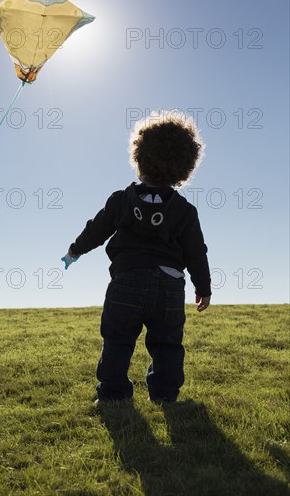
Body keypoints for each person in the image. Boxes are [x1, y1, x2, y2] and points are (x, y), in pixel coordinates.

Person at [62, 111, 211, 404]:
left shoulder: (121, 200)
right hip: (169, 286)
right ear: (184, 166)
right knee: (167, 342)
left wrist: (75, 250)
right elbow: (196, 252)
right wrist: (203, 288)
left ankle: (113, 394)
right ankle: (165, 396)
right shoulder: (185, 211)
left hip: (126, 281)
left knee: (117, 339)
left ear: (139, 158)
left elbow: (97, 229)